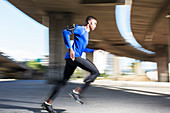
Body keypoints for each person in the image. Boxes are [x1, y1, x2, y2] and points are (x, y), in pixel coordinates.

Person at [41, 16, 100, 113]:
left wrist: (94, 50)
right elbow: (65, 31)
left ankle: (47, 103)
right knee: (95, 72)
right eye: (94, 23)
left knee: (63, 82)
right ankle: (76, 92)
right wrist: (70, 48)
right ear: (89, 23)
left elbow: (82, 48)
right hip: (74, 57)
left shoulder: (86, 34)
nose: (95, 26)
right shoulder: (81, 29)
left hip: (71, 59)